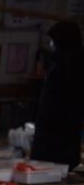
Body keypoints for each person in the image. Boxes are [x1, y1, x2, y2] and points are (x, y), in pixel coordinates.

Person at [32, 21, 84, 169]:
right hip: (59, 123)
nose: (52, 44)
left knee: (53, 161)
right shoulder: (61, 59)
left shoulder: (70, 62)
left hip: (59, 123)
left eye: (54, 40)